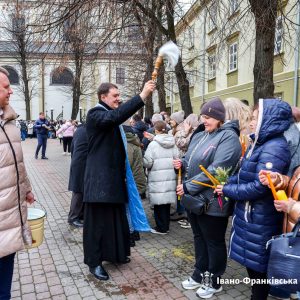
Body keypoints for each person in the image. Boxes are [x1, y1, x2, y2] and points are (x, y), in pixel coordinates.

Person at [215, 98, 292, 300]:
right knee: (254, 267)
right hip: (253, 216)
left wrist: (228, 189)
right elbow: (244, 175)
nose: (250, 122)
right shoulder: (260, 143)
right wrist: (227, 183)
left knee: (259, 269)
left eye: (255, 118)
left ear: (269, 120)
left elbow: (260, 187)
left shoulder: (275, 147)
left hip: (260, 216)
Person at [83, 80, 155, 281]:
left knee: (115, 220)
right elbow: (114, 117)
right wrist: (141, 96)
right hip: (99, 182)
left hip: (113, 180)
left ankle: (116, 254)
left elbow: (115, 119)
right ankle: (94, 263)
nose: (118, 98)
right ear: (102, 97)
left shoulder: (109, 116)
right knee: (96, 225)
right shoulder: (95, 114)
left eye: (118, 95)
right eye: (115, 96)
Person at [175, 97, 241, 299]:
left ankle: (214, 280)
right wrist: (182, 163)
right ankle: (199, 274)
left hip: (214, 201)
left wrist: (188, 187)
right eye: (203, 116)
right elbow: (191, 157)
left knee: (213, 241)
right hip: (195, 200)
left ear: (220, 118)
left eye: (209, 117)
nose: (205, 120)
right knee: (198, 237)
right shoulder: (201, 134)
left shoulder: (229, 138)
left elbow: (217, 169)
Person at [0, 66, 35, 299]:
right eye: (5, 87)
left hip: (10, 215)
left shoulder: (9, 120)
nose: (11, 91)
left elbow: (16, 162)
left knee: (4, 284)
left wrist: (27, 188)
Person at [143, 121, 178, 234]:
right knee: (166, 203)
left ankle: (161, 227)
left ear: (156, 130)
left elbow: (148, 162)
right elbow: (177, 158)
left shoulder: (153, 144)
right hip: (169, 176)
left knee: (158, 203)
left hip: (157, 177)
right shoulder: (173, 142)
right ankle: (165, 225)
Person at [68, 124, 88, 228]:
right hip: (82, 164)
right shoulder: (88, 131)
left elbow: (72, 147)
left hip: (77, 162)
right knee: (79, 191)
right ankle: (73, 218)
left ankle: (80, 215)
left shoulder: (79, 130)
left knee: (81, 190)